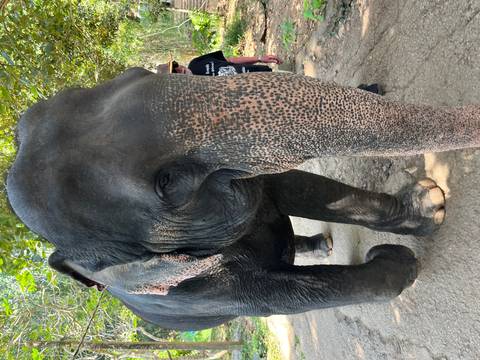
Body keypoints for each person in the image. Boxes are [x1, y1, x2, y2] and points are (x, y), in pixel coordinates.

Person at [156, 50, 283, 76]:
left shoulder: (195, 63)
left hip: (262, 72)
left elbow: (230, 60)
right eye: (174, 72)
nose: (179, 69)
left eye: (176, 66)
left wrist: (260, 58)